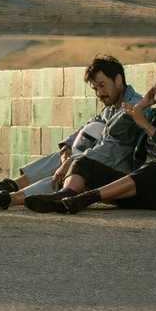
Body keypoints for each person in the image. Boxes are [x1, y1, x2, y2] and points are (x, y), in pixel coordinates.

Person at [36, 64, 156, 214]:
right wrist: (141, 105)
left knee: (155, 169)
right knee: (82, 162)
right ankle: (65, 196)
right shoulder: (154, 115)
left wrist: (147, 127)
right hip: (140, 190)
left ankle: (83, 199)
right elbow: (115, 131)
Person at [16, 56, 145, 213]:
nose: (99, 93)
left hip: (120, 180)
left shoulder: (133, 107)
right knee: (63, 158)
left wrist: (71, 162)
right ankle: (9, 188)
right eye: (95, 89)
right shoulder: (111, 107)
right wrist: (67, 147)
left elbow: (108, 150)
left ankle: (11, 198)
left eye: (102, 85)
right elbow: (87, 127)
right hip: (101, 166)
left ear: (118, 79)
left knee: (75, 167)